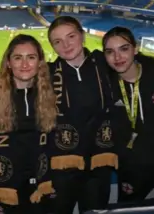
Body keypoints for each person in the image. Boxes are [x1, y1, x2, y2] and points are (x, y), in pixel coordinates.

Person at [46, 16, 117, 213]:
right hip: (60, 168)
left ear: (82, 36)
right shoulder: (46, 74)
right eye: (57, 41)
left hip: (98, 164)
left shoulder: (106, 64)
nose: (66, 45)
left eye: (71, 36)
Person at [102, 26, 154, 206]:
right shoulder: (105, 84)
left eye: (124, 49)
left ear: (136, 49)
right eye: (110, 52)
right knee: (128, 207)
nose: (117, 57)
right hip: (133, 166)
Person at [0, 34, 57, 214]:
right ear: (8, 62)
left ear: (40, 62)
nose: (24, 64)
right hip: (6, 187)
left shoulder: (52, 93)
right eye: (18, 58)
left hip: (41, 185)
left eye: (31, 57)